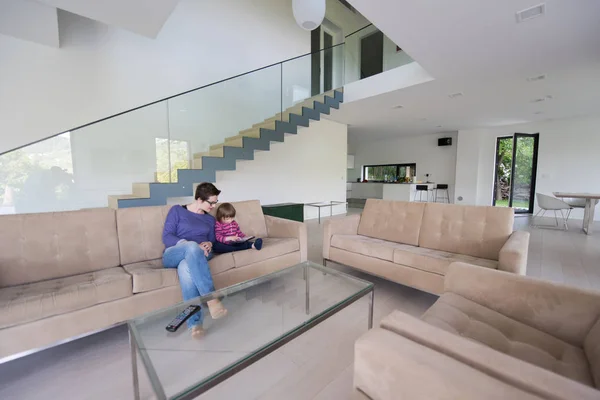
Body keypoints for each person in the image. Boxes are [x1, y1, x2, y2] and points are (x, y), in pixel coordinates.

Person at [162, 182, 227, 337]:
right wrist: (193, 245)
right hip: (174, 252)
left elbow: (213, 241)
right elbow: (167, 236)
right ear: (199, 199)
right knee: (191, 247)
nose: (213, 206)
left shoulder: (210, 220)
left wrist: (209, 244)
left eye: (215, 202)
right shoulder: (177, 210)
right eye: (211, 202)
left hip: (198, 255)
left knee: (185, 268)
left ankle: (195, 325)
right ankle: (211, 299)